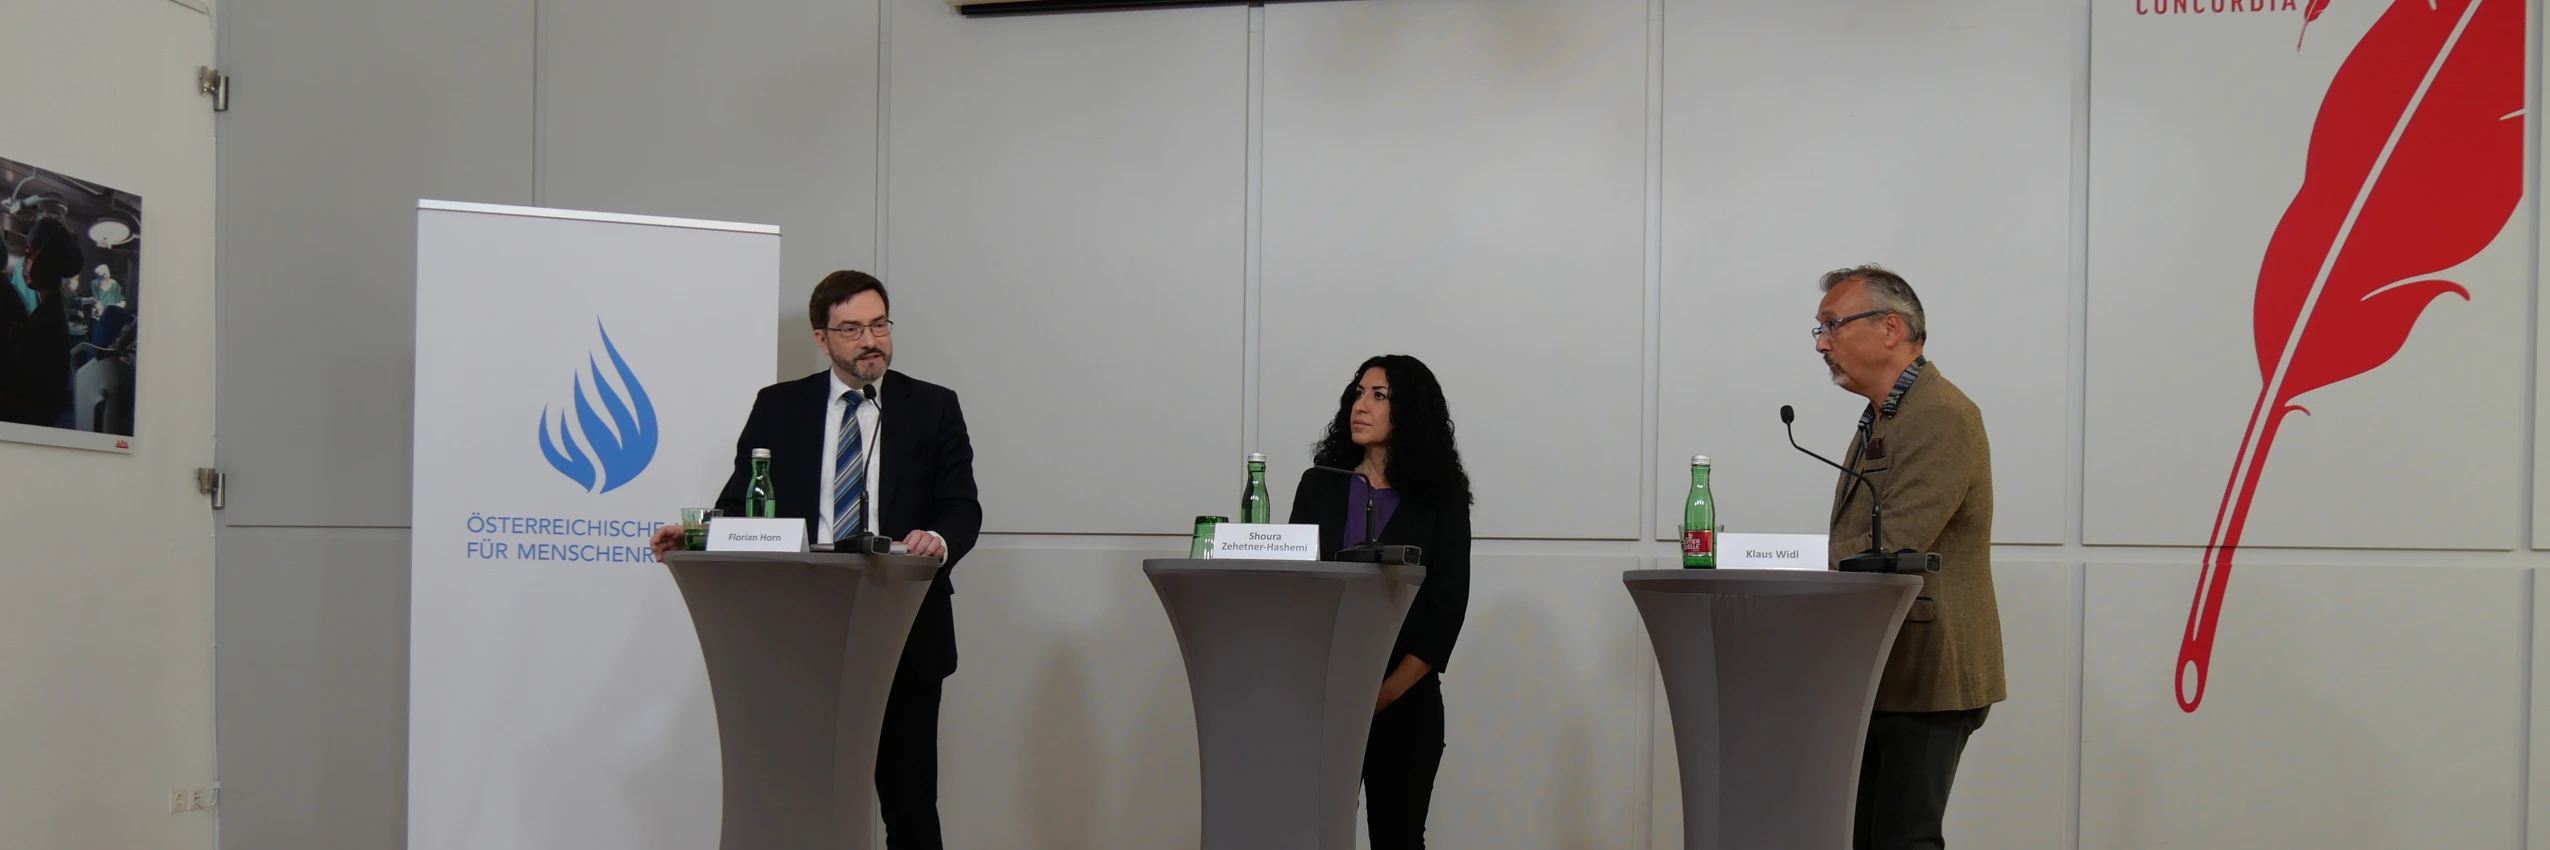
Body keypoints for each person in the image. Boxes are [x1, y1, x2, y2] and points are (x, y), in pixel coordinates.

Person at [649, 269, 981, 850]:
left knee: (908, 805)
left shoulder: (933, 407)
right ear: (822, 339)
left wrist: (937, 538)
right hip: (798, 635)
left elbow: (962, 508)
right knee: (799, 795)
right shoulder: (780, 407)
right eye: (851, 329)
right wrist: (697, 537)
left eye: (879, 324)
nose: (870, 340)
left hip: (901, 629)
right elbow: (740, 505)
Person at [1811, 264, 2004, 850]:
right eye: (1818, 331)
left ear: (1890, 327)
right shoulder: (1887, 413)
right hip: (1885, 666)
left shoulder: (1942, 414)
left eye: (1832, 326)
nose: (1822, 344)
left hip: (1928, 672)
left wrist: (1791, 559)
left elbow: (1895, 541)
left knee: (1904, 841)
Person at [1287, 354, 1471, 850]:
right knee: (1314, 836)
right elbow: (1294, 590)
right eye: (1357, 392)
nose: (1359, 405)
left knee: (1398, 839)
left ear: (1408, 411)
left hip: (1403, 704)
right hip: (1322, 701)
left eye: (1378, 395)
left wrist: (1378, 697)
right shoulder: (1320, 484)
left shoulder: (1441, 499)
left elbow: (1446, 611)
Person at [0, 218, 79, 426]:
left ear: (44, 260)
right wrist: (21, 339)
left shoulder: (47, 319)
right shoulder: (50, 311)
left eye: (29, 254)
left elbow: (39, 402)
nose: (26, 262)